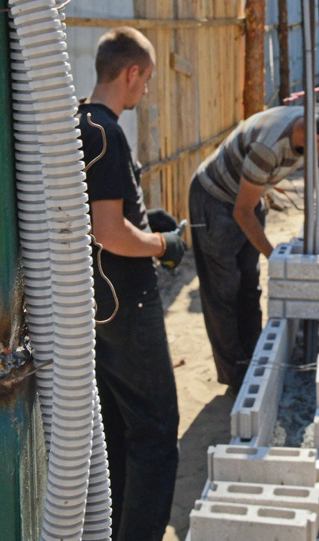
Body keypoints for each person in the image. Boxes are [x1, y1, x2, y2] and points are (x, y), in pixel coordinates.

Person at [77, 27, 187, 541]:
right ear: (130, 73)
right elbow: (110, 232)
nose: (145, 91)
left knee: (119, 427)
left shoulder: (76, 122)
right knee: (158, 431)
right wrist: (163, 245)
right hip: (126, 299)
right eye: (145, 80)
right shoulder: (107, 132)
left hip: (93, 302)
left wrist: (148, 224)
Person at [189, 106, 319, 390]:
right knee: (224, 292)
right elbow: (241, 212)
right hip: (214, 197)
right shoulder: (268, 147)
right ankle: (236, 379)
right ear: (318, 142)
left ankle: (255, 359)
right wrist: (278, 259)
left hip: (248, 194)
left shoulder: (315, 133)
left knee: (250, 286)